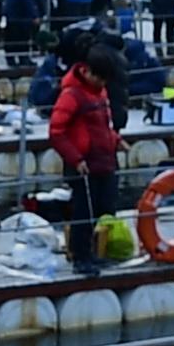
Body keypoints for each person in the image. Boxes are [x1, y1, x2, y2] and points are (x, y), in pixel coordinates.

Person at [47, 49, 122, 245]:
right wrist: (76, 159)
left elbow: (103, 126)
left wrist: (115, 139)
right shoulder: (71, 95)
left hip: (104, 160)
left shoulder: (100, 93)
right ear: (87, 72)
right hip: (84, 163)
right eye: (99, 78)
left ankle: (100, 250)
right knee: (84, 212)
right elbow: (56, 132)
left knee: (106, 209)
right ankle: (81, 254)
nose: (102, 84)